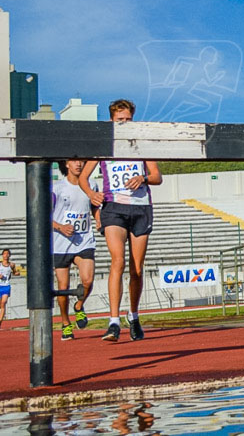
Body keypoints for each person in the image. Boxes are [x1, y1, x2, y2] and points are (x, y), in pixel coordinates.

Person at [80, 99, 162, 342]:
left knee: (137, 268)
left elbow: (157, 176)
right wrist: (91, 194)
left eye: (128, 120)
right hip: (113, 208)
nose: (124, 124)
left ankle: (133, 316)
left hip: (140, 208)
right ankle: (113, 321)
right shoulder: (103, 146)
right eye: (119, 121)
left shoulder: (141, 145)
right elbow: (84, 177)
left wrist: (143, 178)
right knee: (118, 261)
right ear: (111, 121)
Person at [52, 159, 100, 341]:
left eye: (81, 161)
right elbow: (42, 215)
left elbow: (95, 207)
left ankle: (79, 306)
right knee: (63, 287)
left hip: (84, 241)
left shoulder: (92, 184)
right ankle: (65, 323)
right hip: (61, 243)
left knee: (88, 280)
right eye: (74, 161)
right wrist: (60, 227)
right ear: (66, 164)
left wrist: (98, 219)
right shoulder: (57, 188)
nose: (78, 164)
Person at [0, 249, 19, 330]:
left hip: (6, 286)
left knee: (3, 303)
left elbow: (14, 272)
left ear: (9, 255)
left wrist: (16, 273)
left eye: (7, 254)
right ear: (2, 255)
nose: (6, 255)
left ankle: (0, 322)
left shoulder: (11, 265)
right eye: (4, 254)